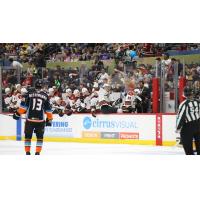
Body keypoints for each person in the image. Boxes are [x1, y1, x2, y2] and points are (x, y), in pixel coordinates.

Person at [13, 79, 53, 155]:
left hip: (30, 120)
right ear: (41, 86)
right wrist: (50, 119)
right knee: (40, 138)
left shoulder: (28, 94)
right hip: (40, 121)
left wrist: (17, 114)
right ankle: (37, 153)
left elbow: (23, 108)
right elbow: (48, 110)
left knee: (28, 137)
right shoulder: (45, 96)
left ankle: (27, 152)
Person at [176, 86, 200, 155]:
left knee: (188, 150)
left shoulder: (184, 104)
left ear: (185, 94)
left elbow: (180, 117)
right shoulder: (198, 102)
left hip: (187, 127)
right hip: (198, 125)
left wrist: (178, 128)